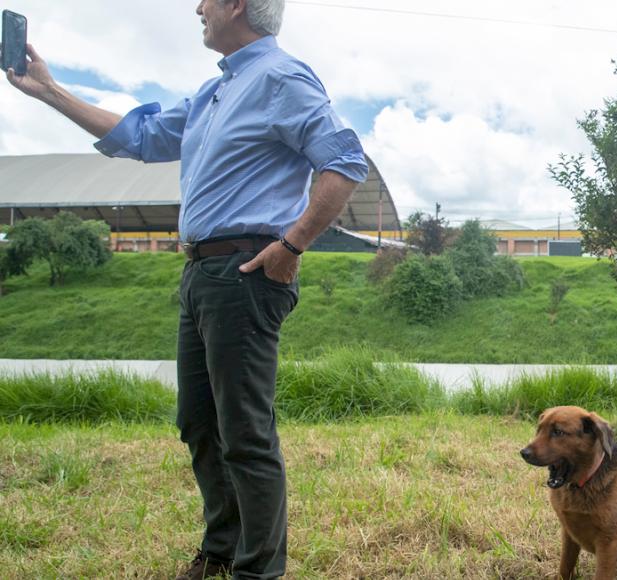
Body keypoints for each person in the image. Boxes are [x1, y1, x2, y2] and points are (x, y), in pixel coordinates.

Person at [5, 0, 368, 578]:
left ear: (237, 5)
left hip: (248, 269)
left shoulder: (280, 77)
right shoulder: (212, 94)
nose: (197, 7)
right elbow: (141, 136)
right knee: (199, 424)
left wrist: (293, 245)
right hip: (201, 273)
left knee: (245, 432)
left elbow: (345, 160)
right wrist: (49, 91)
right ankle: (221, 551)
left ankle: (258, 570)